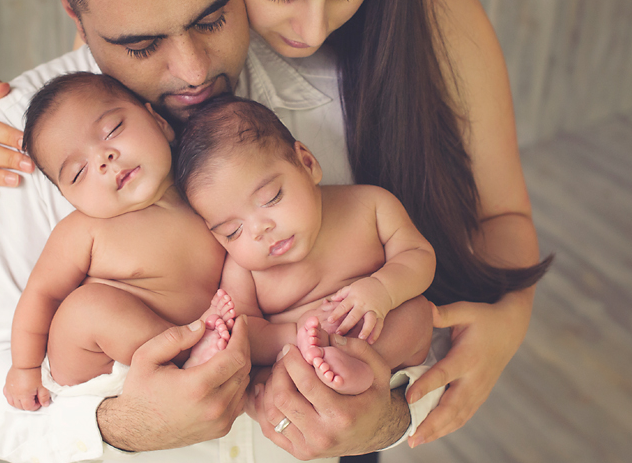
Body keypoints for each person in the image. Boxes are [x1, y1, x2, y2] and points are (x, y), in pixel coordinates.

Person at [0, 0, 552, 463]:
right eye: (142, 44)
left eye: (212, 16)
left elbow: (429, 308)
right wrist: (122, 425)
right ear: (73, 10)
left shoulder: (337, 87)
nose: (193, 70)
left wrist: (387, 417)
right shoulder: (9, 140)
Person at [3, 72, 236, 412]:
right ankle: (186, 351)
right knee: (88, 308)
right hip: (99, 366)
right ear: (70, 198)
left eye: (112, 130)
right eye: (78, 172)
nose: (103, 159)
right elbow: (42, 294)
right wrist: (23, 369)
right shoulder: (85, 229)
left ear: (159, 121)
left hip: (187, 356)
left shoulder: (206, 197)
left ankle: (192, 354)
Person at [175, 95, 437, 397]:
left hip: (377, 333)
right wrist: (297, 336)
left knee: (417, 313)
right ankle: (327, 380)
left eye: (271, 197)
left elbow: (418, 255)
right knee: (253, 368)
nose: (260, 230)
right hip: (299, 360)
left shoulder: (370, 206)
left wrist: (383, 289)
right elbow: (245, 329)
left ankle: (363, 366)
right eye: (233, 231)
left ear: (307, 163)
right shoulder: (243, 269)